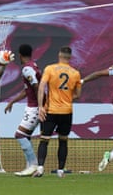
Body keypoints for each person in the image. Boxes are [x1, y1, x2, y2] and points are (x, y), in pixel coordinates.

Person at [33, 46, 82, 178]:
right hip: (67, 112)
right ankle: (60, 171)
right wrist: (66, 97)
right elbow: (78, 95)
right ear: (70, 57)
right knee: (63, 141)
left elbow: (41, 86)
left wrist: (40, 106)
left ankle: (41, 168)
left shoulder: (50, 69)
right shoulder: (75, 73)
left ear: (59, 55)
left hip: (51, 110)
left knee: (44, 140)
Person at [4, 44, 41, 176]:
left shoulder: (27, 69)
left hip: (35, 107)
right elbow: (28, 90)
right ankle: (30, 166)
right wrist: (12, 101)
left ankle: (33, 165)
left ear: (19, 55)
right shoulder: (33, 65)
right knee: (26, 136)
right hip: (33, 106)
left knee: (20, 135)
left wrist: (41, 106)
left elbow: (36, 87)